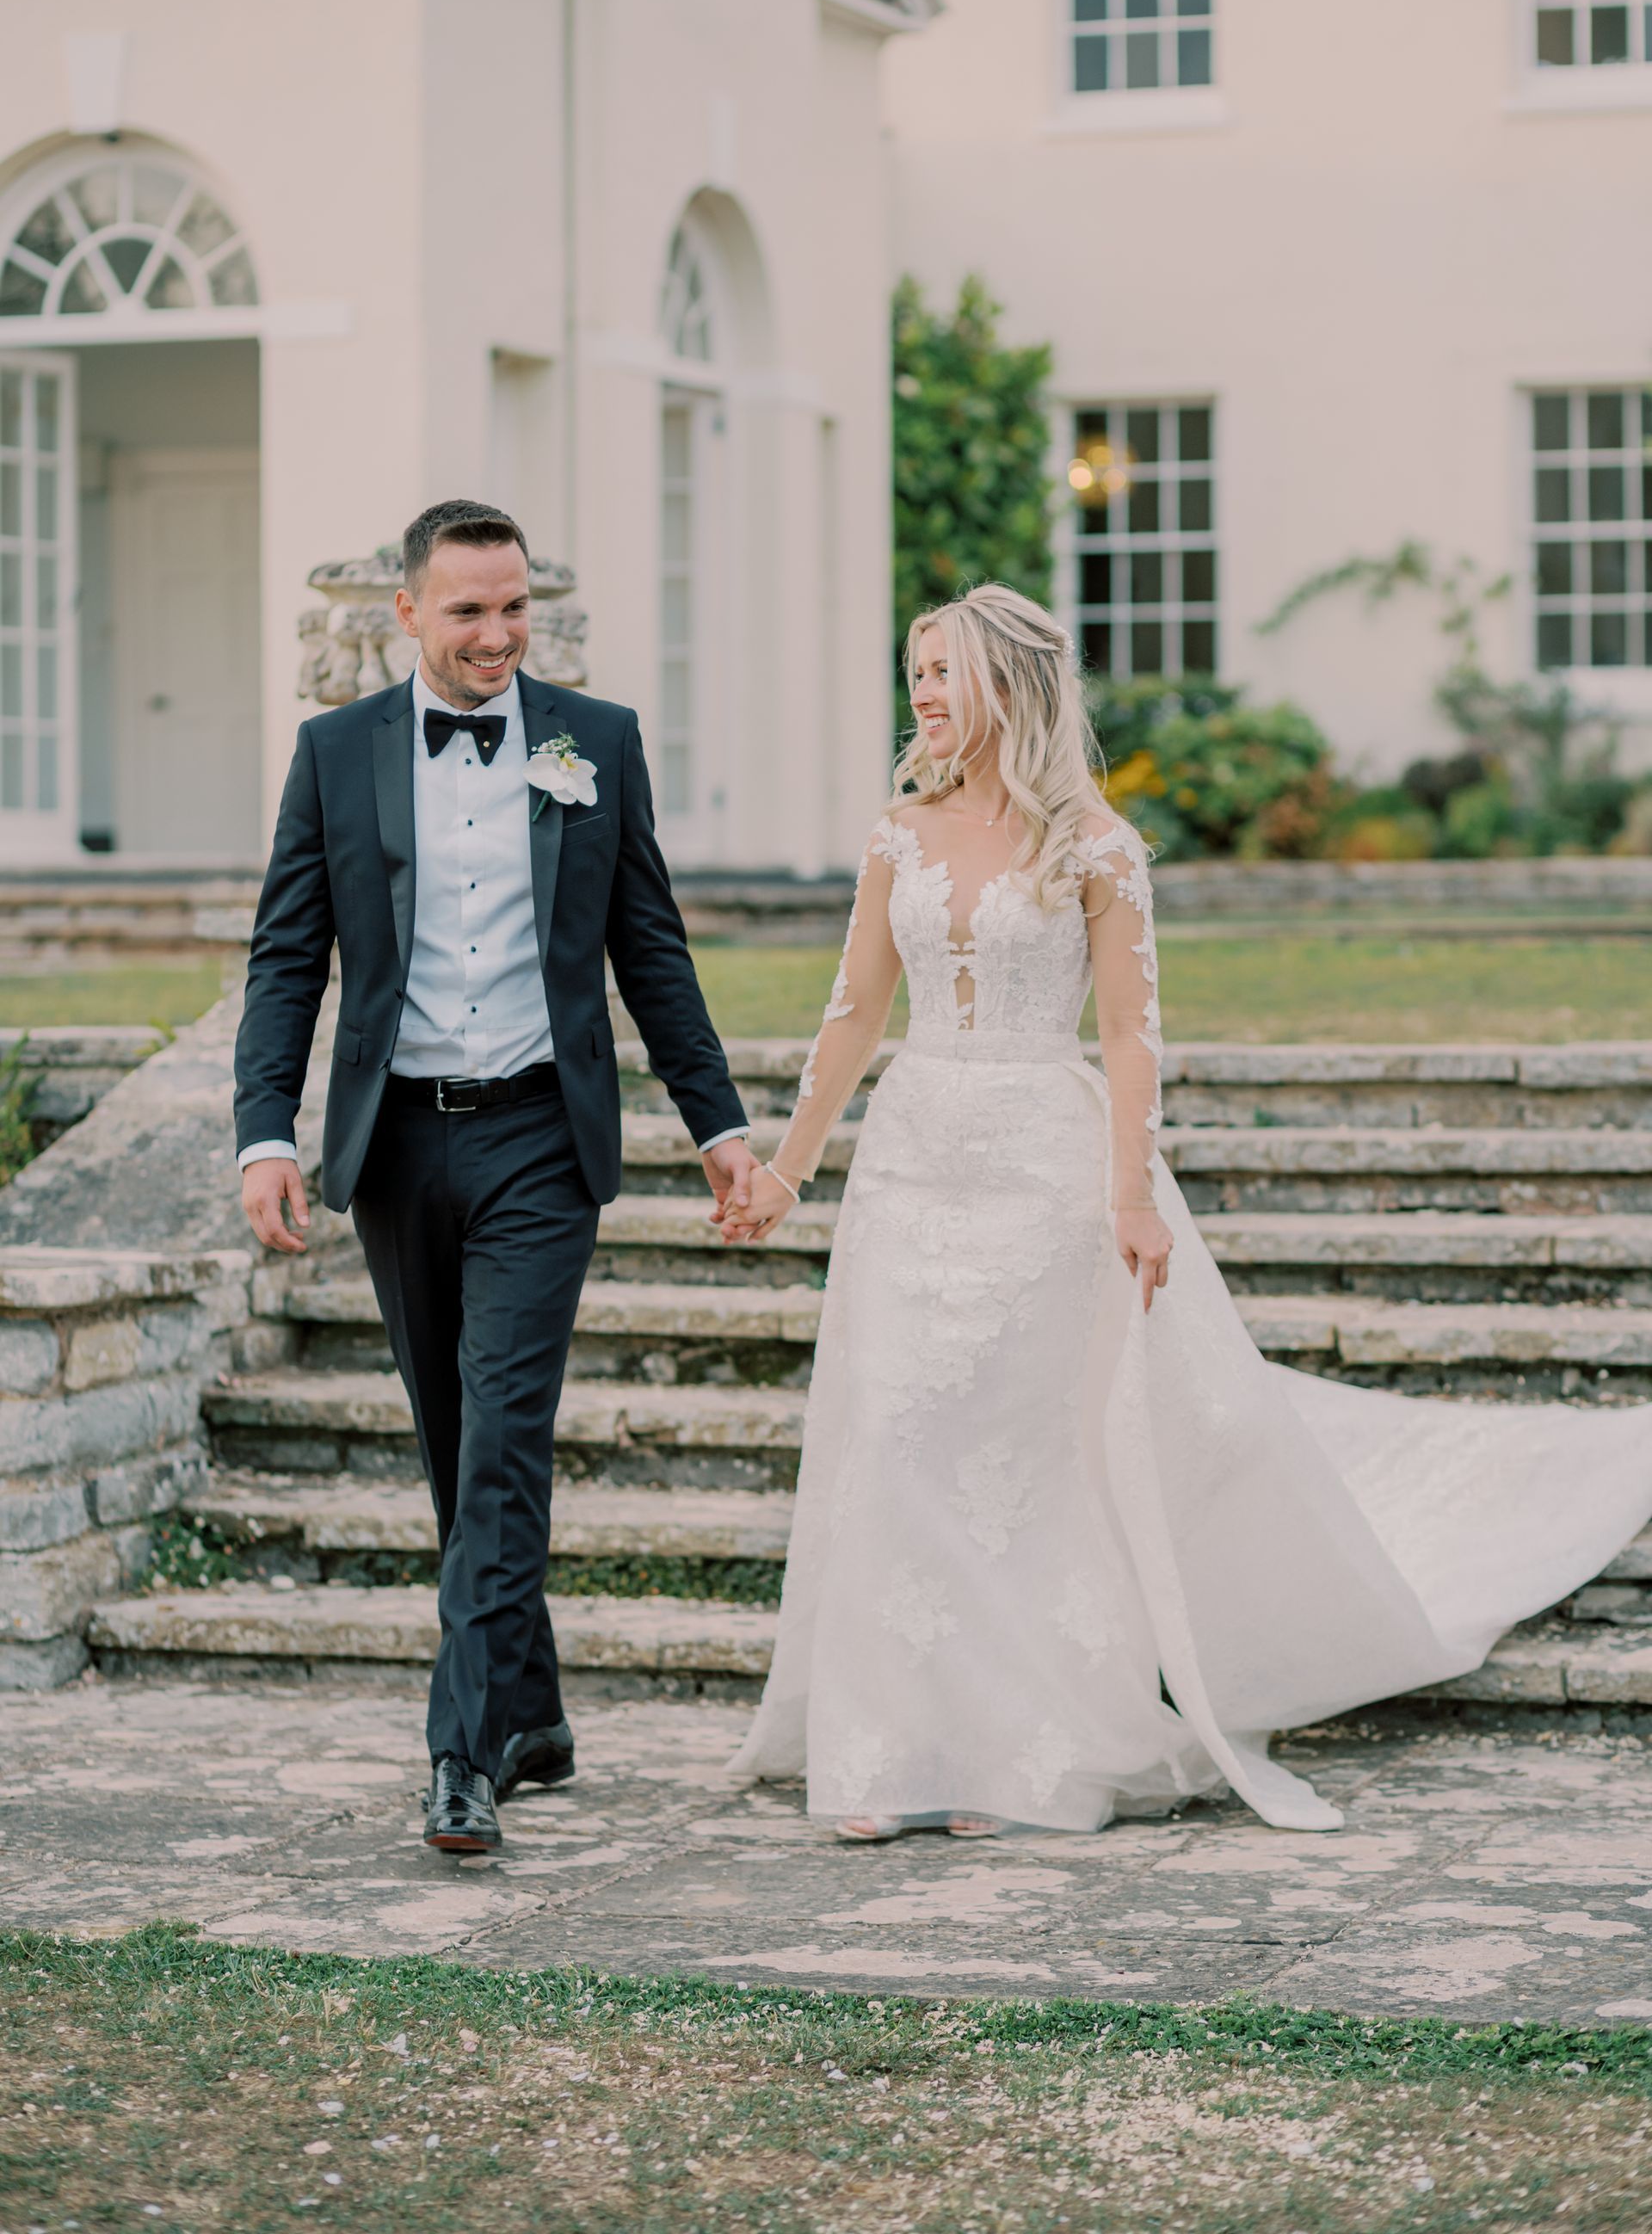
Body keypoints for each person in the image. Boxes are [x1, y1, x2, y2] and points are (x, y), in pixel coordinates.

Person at [722, 582, 1652, 1838]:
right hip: (914, 1162)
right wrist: (787, 1169)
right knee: (898, 1441)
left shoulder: (1097, 845)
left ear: (1008, 685)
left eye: (944, 672)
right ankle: (891, 1754)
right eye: (917, 673)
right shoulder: (899, 833)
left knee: (1027, 1464)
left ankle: (1013, 1756)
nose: (924, 696)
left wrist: (1131, 1194)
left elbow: (1128, 1031)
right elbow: (853, 1014)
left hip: (1046, 1170)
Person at [234, 499, 755, 1853]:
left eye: (514, 607)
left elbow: (653, 951)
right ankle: (532, 1712)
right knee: (455, 1445)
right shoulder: (335, 753)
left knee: (506, 1436)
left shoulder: (594, 742)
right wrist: (266, 1133)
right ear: (405, 613)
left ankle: (463, 1752)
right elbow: (289, 956)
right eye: (468, 610)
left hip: (539, 1134)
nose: (496, 634)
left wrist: (721, 1126)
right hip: (397, 1145)